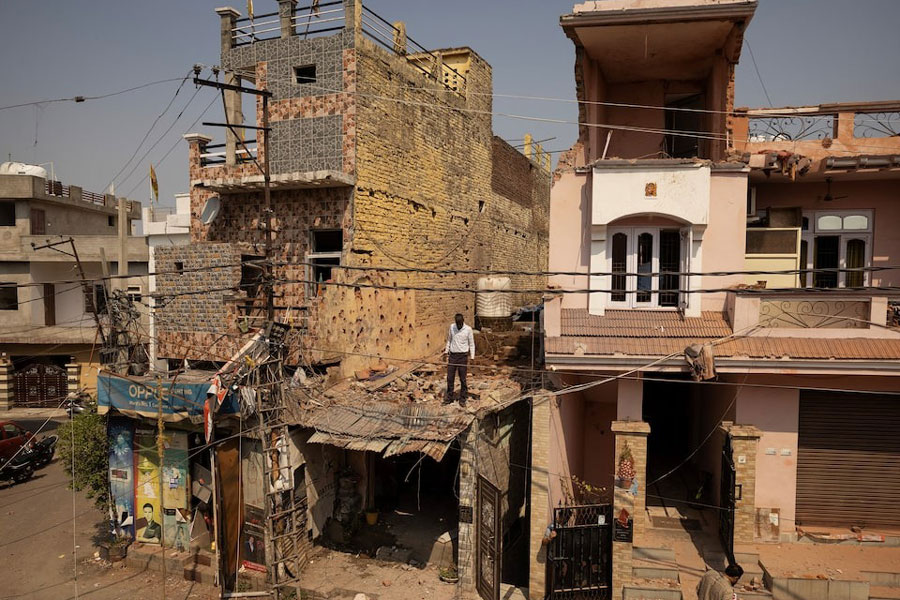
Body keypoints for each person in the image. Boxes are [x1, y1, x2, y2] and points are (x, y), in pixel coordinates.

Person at [443, 313, 475, 405]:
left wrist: (472, 357)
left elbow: (471, 344)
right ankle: (449, 397)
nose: (458, 325)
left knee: (463, 379)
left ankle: (463, 398)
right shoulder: (452, 327)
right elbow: (449, 340)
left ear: (463, 322)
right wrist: (446, 351)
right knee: (450, 378)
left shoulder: (468, 329)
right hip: (453, 356)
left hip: (463, 357)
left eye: (460, 324)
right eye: (457, 324)